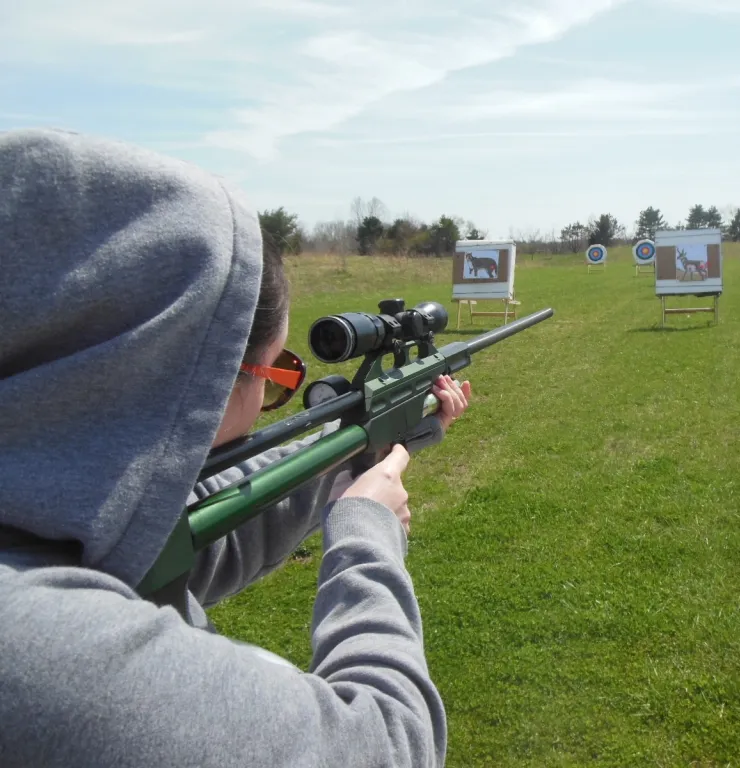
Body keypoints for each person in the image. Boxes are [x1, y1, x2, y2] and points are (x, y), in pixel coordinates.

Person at [0, 128, 470, 767]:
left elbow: (185, 534)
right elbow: (390, 744)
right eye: (275, 378)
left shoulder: (46, 508)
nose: (269, 402)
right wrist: (367, 535)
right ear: (191, 382)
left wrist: (366, 446)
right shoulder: (46, 660)